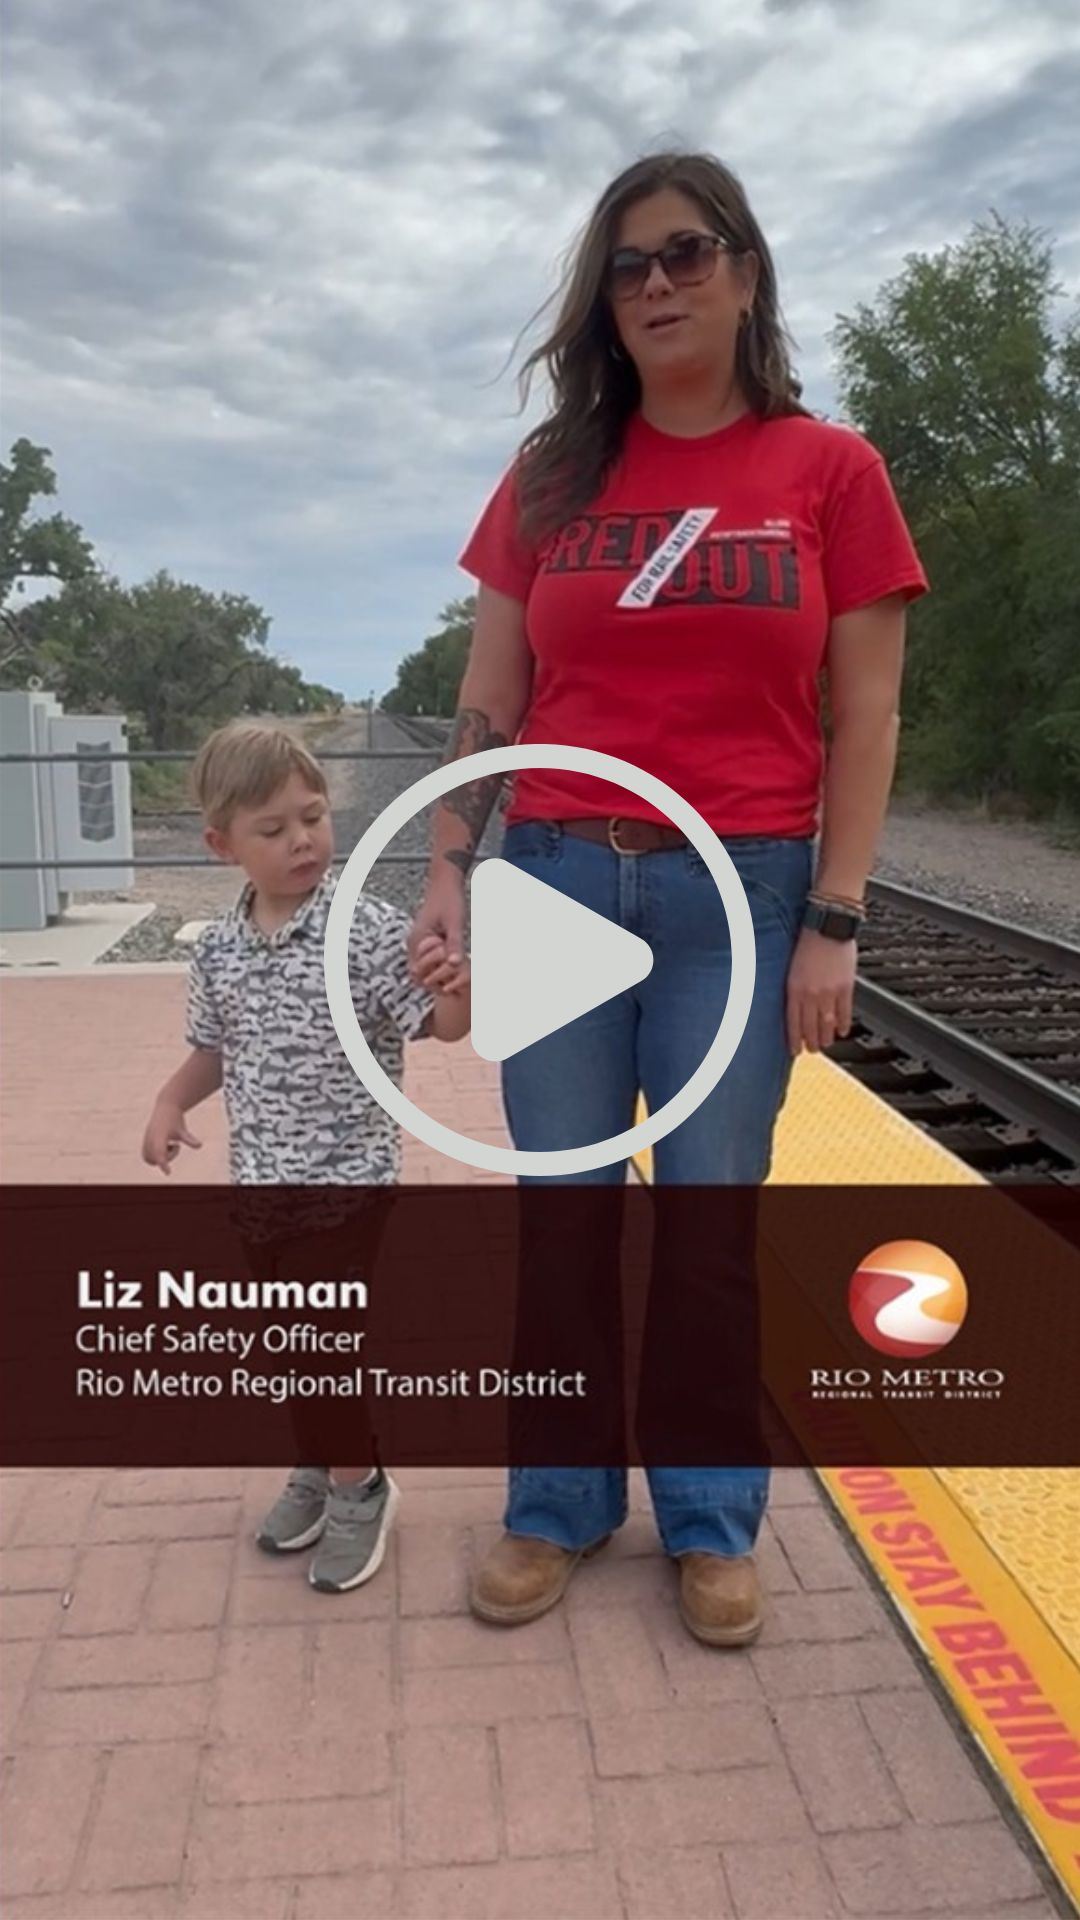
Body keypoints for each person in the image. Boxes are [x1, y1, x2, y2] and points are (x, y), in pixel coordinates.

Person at [409, 150, 927, 1644]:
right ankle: (554, 1506)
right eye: (628, 265)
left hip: (743, 894)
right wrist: (451, 863)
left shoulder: (831, 475)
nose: (657, 285)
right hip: (557, 877)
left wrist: (834, 918)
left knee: (706, 1221)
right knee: (559, 1219)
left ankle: (709, 1517)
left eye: (687, 253)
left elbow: (868, 717)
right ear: (603, 298)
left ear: (745, 272)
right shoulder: (554, 476)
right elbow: (490, 695)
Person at [141, 719, 471, 1591]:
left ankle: (360, 1487)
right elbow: (218, 1045)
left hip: (347, 1187)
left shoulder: (365, 929)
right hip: (259, 1187)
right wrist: (172, 1099)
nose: (303, 841)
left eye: (313, 817)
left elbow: (436, 1025)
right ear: (222, 846)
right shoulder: (217, 947)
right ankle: (323, 1465)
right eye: (274, 829)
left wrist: (456, 989)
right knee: (287, 1345)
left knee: (320, 1343)